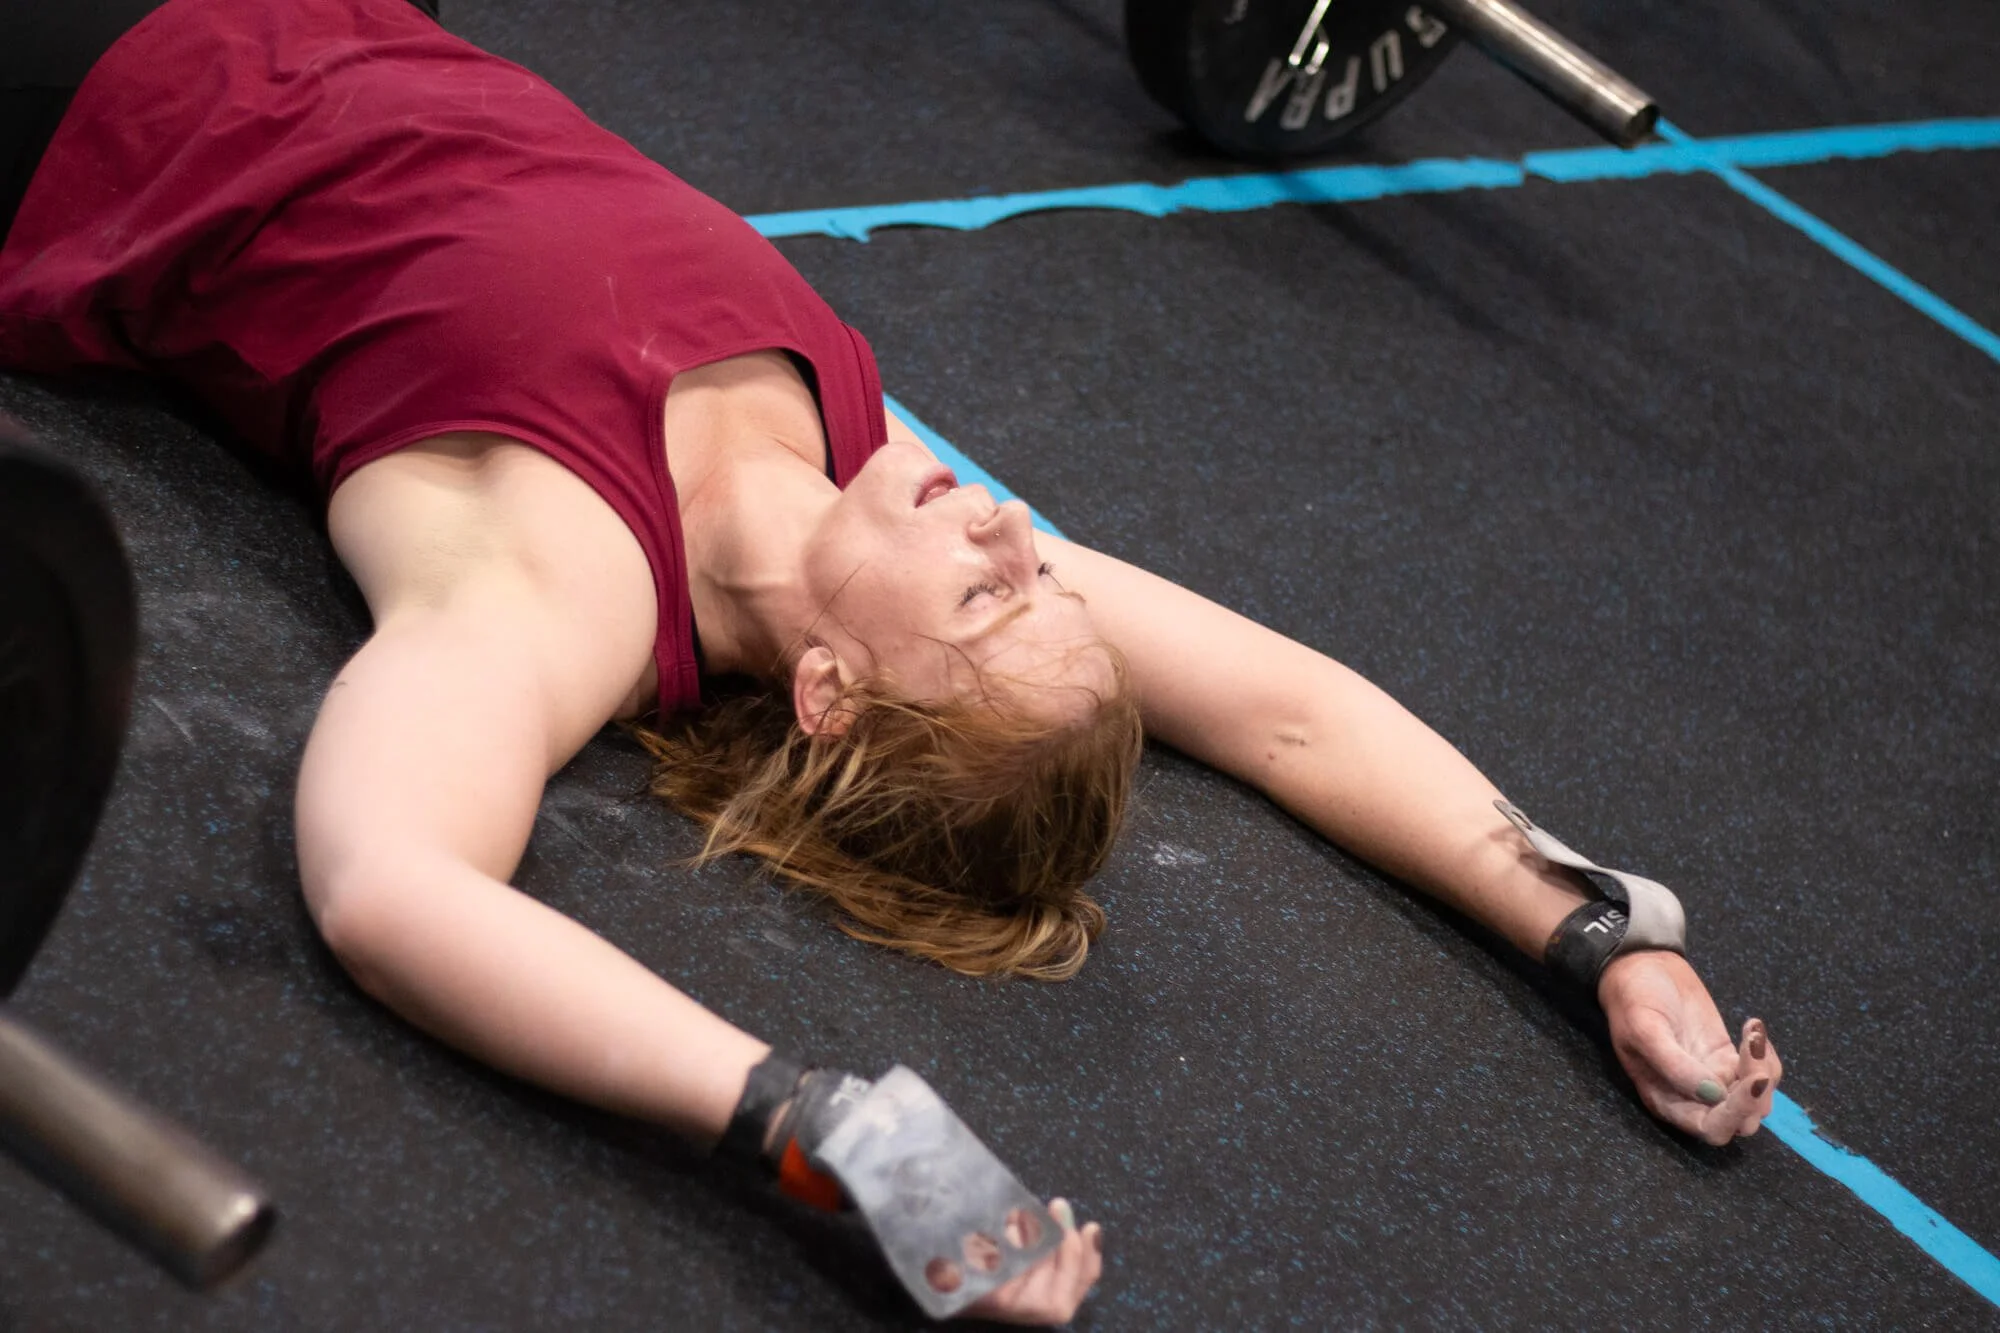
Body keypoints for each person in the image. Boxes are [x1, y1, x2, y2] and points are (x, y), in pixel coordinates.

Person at [0, 0, 1783, 1322]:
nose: (1020, 537)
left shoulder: (554, 589)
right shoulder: (869, 490)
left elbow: (392, 886)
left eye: (1001, 597)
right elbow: (1292, 709)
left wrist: (835, 1138)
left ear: (833, 693)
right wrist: (1594, 928)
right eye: (1045, 576)